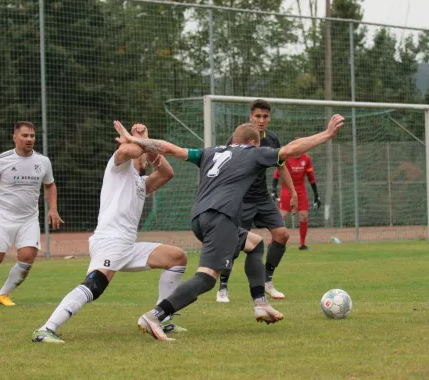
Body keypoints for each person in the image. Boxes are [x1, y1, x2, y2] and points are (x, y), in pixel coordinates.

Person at [127, 114, 345, 341]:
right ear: (253, 143)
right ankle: (155, 315)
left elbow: (170, 149)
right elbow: (290, 150)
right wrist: (327, 134)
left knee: (254, 243)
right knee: (207, 278)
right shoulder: (253, 152)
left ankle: (260, 303)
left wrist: (140, 141)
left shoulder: (209, 152)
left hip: (199, 218)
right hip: (221, 218)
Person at [32, 124, 188, 343]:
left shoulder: (141, 184)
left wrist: (146, 141)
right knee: (94, 285)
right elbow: (126, 152)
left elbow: (167, 173)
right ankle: (45, 329)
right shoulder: (118, 168)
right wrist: (134, 141)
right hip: (110, 241)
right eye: (139, 150)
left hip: (128, 245)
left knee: (177, 257)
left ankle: (161, 318)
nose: (141, 156)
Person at [0, 121, 63, 306]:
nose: (29, 139)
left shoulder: (43, 161)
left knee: (27, 257)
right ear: (15, 137)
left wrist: (53, 209)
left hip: (29, 218)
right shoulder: (2, 160)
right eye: (25, 136)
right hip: (3, 217)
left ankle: (3, 294)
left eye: (32, 136)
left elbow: (50, 185)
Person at [217, 99, 298, 303]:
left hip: (262, 198)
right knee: (233, 243)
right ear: (250, 117)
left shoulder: (272, 139)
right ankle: (222, 287)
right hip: (241, 199)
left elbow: (281, 166)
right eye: (257, 116)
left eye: (265, 117)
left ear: (269, 118)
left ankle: (267, 281)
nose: (261, 120)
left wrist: (293, 193)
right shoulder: (236, 139)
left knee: (282, 235)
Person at [272, 151, 321, 250]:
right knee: (282, 216)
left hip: (300, 191)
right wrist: (273, 190)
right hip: (287, 189)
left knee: (304, 216)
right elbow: (277, 175)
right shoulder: (286, 157)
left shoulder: (306, 159)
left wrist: (316, 195)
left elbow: (311, 178)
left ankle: (302, 244)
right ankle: (273, 242)